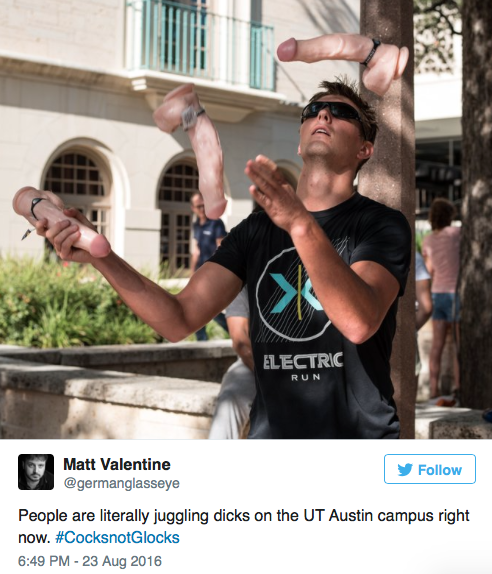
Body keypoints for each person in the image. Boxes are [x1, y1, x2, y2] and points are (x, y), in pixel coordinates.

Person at [35, 77, 412, 439]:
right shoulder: (254, 230)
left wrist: (299, 224)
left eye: (341, 113)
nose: (323, 115)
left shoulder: (382, 225)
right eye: (312, 110)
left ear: (365, 149)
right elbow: (178, 319)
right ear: (299, 144)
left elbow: (358, 322)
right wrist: (102, 257)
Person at [422, 198, 460, 401]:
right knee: (457, 346)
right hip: (456, 293)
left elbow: (429, 270)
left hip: (437, 294)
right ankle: (458, 388)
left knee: (437, 346)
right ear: (449, 216)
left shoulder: (428, 240)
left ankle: (433, 390)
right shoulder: (457, 233)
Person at [208, 286, 255, 439]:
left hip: (316, 361)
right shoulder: (245, 279)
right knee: (230, 398)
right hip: (256, 365)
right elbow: (240, 340)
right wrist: (271, 377)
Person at [190, 192, 228, 341]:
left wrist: (217, 273)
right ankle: (202, 340)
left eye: (203, 205)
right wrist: (192, 273)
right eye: (198, 206)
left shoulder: (216, 223)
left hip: (212, 274)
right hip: (200, 274)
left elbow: (221, 248)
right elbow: (196, 251)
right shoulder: (196, 225)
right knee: (199, 307)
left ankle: (237, 331)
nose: (201, 209)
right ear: (193, 208)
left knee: (210, 309)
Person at [415, 251, 432, 391]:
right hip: (403, 337)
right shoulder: (414, 256)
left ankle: (435, 391)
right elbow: (426, 308)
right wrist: (409, 330)